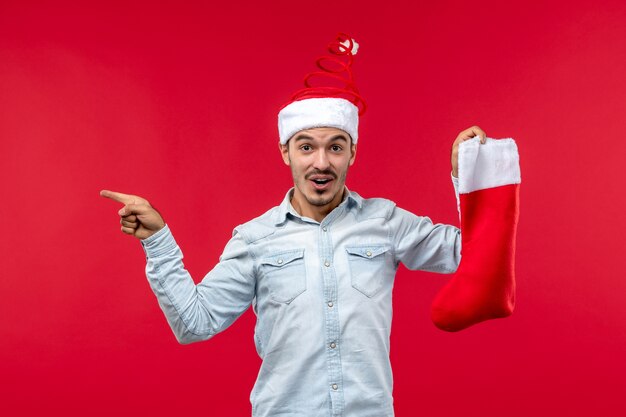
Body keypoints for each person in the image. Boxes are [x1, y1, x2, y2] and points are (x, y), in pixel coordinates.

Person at [100, 34, 511, 417]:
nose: (321, 162)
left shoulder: (385, 221)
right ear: (286, 153)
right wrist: (157, 241)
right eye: (306, 147)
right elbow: (195, 324)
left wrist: (470, 179)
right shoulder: (255, 238)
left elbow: (472, 256)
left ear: (353, 152)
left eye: (335, 146)